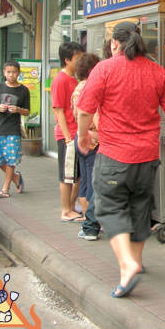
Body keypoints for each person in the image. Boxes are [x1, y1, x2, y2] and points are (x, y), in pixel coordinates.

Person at [75, 21, 165, 298]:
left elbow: (84, 110)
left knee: (108, 206)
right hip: (147, 158)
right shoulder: (157, 72)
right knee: (140, 207)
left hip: (114, 156)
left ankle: (127, 264)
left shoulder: (104, 69)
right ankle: (137, 262)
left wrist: (82, 136)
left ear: (114, 44)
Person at [51, 41, 84, 222]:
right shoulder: (61, 80)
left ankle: (71, 207)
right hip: (68, 135)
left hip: (75, 133)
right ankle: (65, 210)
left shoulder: (74, 79)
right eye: (77, 58)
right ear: (66, 60)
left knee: (76, 175)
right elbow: (58, 110)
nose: (80, 62)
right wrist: (67, 137)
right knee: (66, 175)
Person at [71, 53, 102, 241]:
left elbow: (76, 113)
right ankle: (91, 224)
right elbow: (91, 114)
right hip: (92, 139)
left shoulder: (77, 88)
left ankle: (87, 221)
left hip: (80, 137)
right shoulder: (91, 87)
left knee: (84, 182)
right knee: (93, 183)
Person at [0, 60, 30, 198]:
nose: (11, 75)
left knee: (11, 160)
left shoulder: (23, 90)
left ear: (19, 73)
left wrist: (18, 109)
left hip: (13, 129)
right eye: (8, 72)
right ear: (4, 72)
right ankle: (16, 178)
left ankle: (5, 189)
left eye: (14, 72)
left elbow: (27, 111)